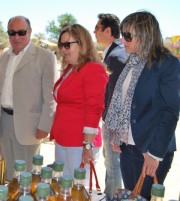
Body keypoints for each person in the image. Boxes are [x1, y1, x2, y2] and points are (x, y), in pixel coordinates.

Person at [104, 11, 180, 199]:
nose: (123, 40)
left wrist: (155, 153)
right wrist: (117, 136)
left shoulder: (166, 63)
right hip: (128, 147)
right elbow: (123, 103)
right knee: (132, 195)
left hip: (152, 148)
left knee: (144, 196)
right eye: (122, 35)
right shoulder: (132, 62)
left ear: (145, 34)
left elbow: (171, 111)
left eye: (128, 36)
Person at [0, 16, 57, 180]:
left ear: (30, 32)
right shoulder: (3, 56)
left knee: (26, 175)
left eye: (21, 32)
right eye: (12, 33)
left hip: (30, 126)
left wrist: (45, 125)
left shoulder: (45, 57)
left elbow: (50, 97)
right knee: (7, 172)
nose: (16, 37)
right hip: (3, 122)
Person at [49, 24, 108, 181]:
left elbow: (95, 109)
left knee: (77, 190)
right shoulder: (71, 68)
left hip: (79, 144)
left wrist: (87, 145)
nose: (63, 49)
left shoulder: (93, 69)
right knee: (64, 188)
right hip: (64, 140)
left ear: (82, 44)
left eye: (67, 45)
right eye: (61, 45)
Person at [94, 13, 128, 199]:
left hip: (114, 121)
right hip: (112, 119)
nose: (94, 31)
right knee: (111, 164)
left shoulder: (116, 56)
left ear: (108, 30)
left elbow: (119, 95)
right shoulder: (116, 52)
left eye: (97, 28)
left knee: (113, 166)